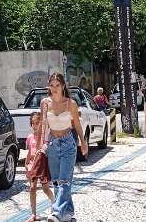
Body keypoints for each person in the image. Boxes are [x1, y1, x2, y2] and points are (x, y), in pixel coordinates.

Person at [39, 72, 88, 222]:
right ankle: (68, 214)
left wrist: (83, 142)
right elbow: (43, 124)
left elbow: (77, 125)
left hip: (68, 143)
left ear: (63, 86)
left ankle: (57, 211)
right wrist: (42, 143)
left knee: (65, 181)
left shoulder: (70, 103)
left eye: (57, 85)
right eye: (52, 85)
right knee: (56, 181)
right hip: (53, 144)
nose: (54, 88)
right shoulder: (45, 103)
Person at [25, 112, 55, 222]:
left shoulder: (45, 138)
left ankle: (54, 202)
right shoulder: (29, 137)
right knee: (32, 188)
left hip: (42, 166)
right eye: (33, 123)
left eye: (37, 123)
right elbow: (29, 151)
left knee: (45, 189)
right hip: (32, 166)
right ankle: (33, 214)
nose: (35, 125)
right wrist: (26, 163)